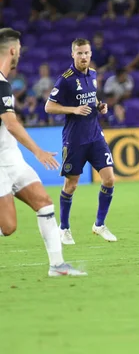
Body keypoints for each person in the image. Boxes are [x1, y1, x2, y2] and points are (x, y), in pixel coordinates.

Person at [0, 28, 86, 276]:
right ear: (13, 50)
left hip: (10, 157)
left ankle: (57, 266)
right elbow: (11, 123)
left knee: (44, 203)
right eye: (19, 50)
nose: (20, 55)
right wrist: (38, 152)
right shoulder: (1, 84)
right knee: (8, 227)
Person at [45, 38, 117, 245]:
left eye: (86, 53)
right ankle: (64, 228)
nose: (83, 57)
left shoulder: (93, 74)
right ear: (73, 55)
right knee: (71, 184)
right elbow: (49, 107)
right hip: (75, 139)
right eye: (79, 53)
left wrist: (100, 107)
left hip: (95, 136)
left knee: (109, 179)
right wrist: (73, 109)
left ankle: (99, 224)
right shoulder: (65, 79)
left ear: (91, 54)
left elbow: (91, 98)